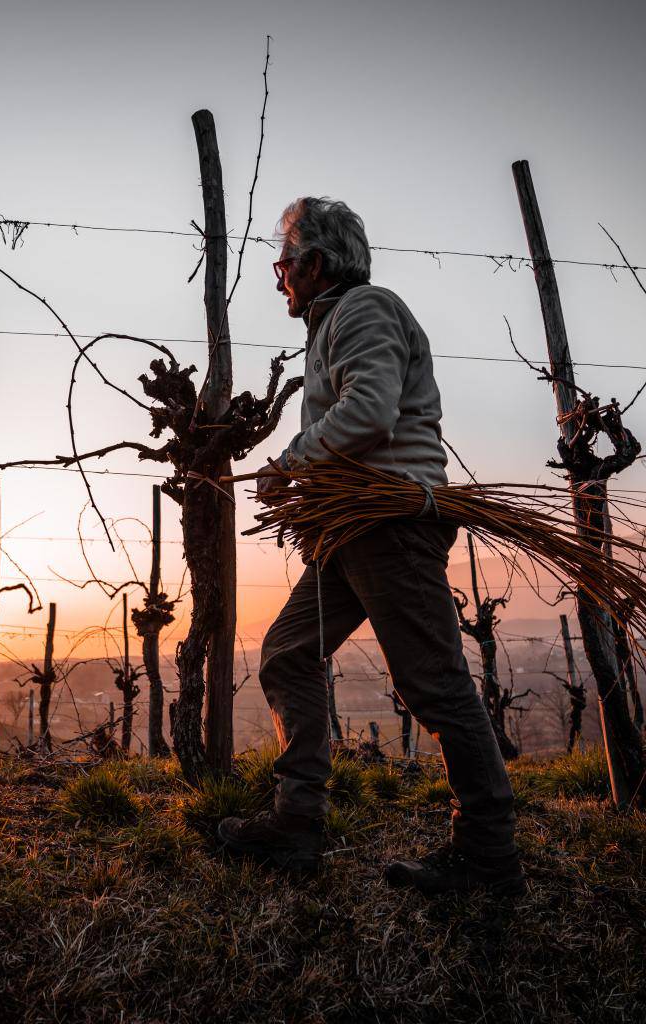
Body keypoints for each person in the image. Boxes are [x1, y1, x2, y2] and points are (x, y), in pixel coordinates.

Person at [217, 197, 525, 896]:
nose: (279, 280)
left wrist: (289, 461)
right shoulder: (337, 322)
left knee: (435, 687)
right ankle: (297, 819)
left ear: (316, 264)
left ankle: (489, 857)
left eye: (285, 264)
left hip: (391, 524)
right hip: (354, 529)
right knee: (289, 653)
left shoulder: (363, 309)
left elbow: (371, 407)